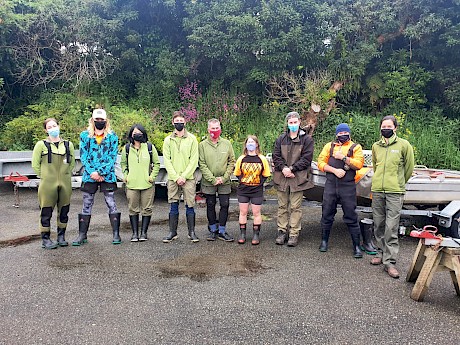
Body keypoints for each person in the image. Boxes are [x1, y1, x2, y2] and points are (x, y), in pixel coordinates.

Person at [370, 115, 414, 278]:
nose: (386, 129)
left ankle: (390, 262)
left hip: (395, 191)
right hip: (378, 190)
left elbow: (409, 167)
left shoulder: (404, 145)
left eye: (389, 126)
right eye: (383, 126)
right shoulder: (376, 146)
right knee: (378, 224)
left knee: (391, 226)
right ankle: (380, 254)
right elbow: (375, 165)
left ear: (395, 128)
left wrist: (398, 182)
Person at [72, 108, 121, 246]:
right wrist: (93, 172)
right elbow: (83, 155)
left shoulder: (112, 136)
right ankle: (82, 235)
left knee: (111, 203)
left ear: (106, 121)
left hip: (107, 175)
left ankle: (116, 234)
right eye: (97, 119)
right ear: (92, 120)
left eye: (102, 120)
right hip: (89, 175)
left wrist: (101, 172)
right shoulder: (85, 136)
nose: (99, 122)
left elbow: (112, 157)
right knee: (87, 204)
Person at [317, 123, 365, 258]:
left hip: (348, 186)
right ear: (336, 134)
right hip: (331, 185)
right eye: (340, 133)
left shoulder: (356, 147)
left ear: (349, 134)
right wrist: (334, 170)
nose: (343, 135)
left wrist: (343, 158)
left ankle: (356, 246)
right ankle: (324, 241)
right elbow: (320, 163)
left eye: (345, 133)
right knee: (326, 213)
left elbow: (359, 164)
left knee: (351, 215)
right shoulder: (329, 146)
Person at [32, 118, 76, 249]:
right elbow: (35, 164)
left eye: (54, 126)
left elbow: (72, 163)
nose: (53, 128)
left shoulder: (68, 145)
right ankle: (45, 238)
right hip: (47, 183)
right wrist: (45, 176)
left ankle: (61, 236)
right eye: (49, 127)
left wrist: (66, 174)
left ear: (59, 126)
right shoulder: (41, 145)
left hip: (65, 182)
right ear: (45, 130)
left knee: (64, 210)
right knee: (46, 211)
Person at [272, 111, 314, 247]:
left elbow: (307, 159)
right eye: (291, 123)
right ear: (287, 124)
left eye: (295, 122)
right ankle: (281, 231)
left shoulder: (307, 140)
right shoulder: (281, 139)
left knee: (296, 207)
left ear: (299, 122)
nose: (293, 125)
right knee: (282, 206)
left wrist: (292, 169)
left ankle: (294, 234)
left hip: (298, 178)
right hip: (282, 178)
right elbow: (276, 156)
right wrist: (283, 168)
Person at [162, 111, 200, 243]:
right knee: (173, 204)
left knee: (190, 204)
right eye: (176, 121)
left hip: (188, 178)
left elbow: (194, 160)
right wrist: (176, 176)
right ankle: (172, 232)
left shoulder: (192, 139)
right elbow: (167, 160)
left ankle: (192, 232)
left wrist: (184, 176)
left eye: (181, 121)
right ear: (173, 122)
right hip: (173, 178)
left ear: (185, 122)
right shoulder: (168, 140)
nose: (179, 123)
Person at [121, 124, 160, 242]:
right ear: (131, 135)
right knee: (133, 208)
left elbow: (157, 163)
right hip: (132, 184)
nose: (137, 135)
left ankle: (144, 233)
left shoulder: (149, 147)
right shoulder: (127, 148)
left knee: (147, 209)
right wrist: (126, 175)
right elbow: (123, 164)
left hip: (147, 184)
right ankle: (134, 233)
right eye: (134, 133)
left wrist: (152, 176)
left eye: (139, 132)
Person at [198, 118, 236, 242]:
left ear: (220, 128)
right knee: (210, 204)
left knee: (225, 204)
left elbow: (231, 161)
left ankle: (222, 230)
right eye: (213, 128)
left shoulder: (227, 143)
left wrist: (224, 178)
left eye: (217, 128)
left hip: (224, 181)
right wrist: (213, 179)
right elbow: (202, 164)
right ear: (208, 130)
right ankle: (213, 229)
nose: (215, 130)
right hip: (209, 182)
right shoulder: (202, 145)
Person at [234, 135, 271, 245]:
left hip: (257, 191)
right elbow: (237, 173)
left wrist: (258, 183)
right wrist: (244, 182)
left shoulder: (262, 159)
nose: (250, 144)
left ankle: (256, 235)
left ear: (257, 144)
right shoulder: (241, 159)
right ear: (245, 145)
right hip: (243, 190)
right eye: (248, 142)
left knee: (256, 213)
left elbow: (266, 174)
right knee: (243, 212)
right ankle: (242, 234)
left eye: (252, 142)